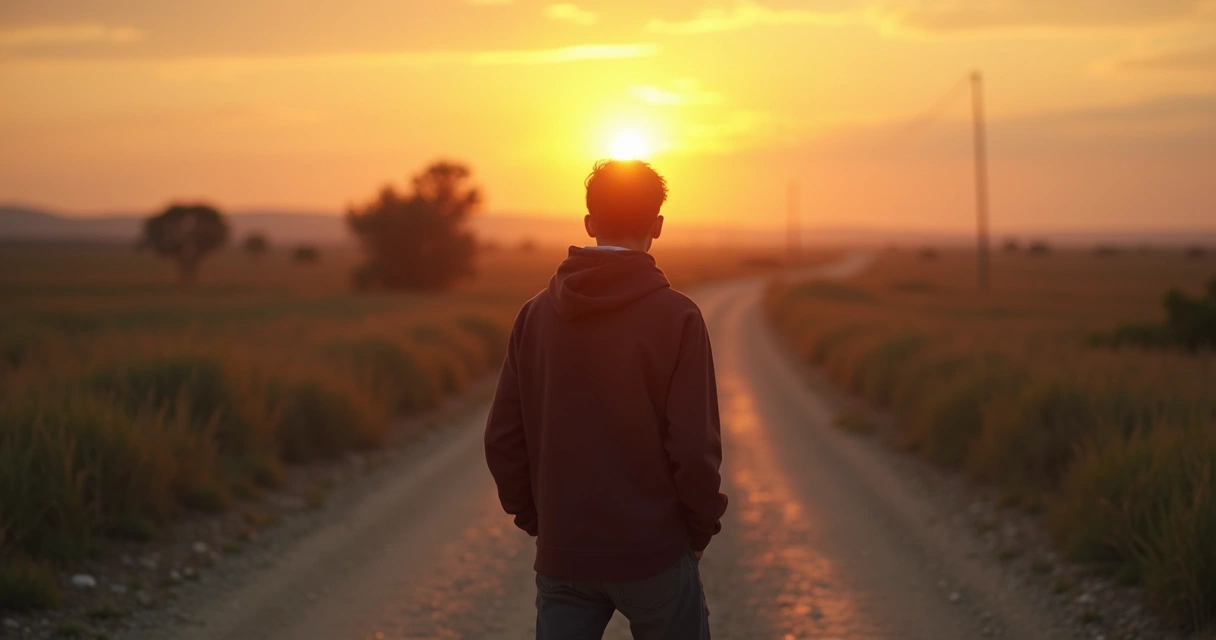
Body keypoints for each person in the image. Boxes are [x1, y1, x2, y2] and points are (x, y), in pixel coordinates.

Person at [485, 159, 728, 640]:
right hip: (655, 556)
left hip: (564, 556)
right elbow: (694, 448)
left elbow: (502, 440)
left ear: (590, 223)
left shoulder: (534, 315)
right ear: (657, 226)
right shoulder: (679, 317)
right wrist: (698, 532)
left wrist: (541, 523)